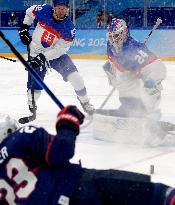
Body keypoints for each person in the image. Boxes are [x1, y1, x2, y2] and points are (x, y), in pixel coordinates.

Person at [0, 107, 175, 205]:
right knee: (157, 195)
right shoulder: (19, 138)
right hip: (77, 190)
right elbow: (61, 151)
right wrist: (68, 122)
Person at [94, 18, 170, 145]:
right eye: (111, 36)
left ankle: (151, 121)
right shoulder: (110, 46)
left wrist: (134, 68)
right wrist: (113, 74)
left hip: (152, 69)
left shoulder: (133, 48)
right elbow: (117, 66)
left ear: (124, 33)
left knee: (149, 87)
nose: (114, 39)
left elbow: (146, 68)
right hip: (133, 69)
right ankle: (130, 107)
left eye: (116, 35)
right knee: (124, 86)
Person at [18, 0, 94, 115]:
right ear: (54, 8)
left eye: (64, 8)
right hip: (35, 53)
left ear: (67, 9)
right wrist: (24, 27)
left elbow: (59, 50)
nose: (61, 11)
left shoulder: (69, 28)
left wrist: (42, 58)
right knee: (34, 92)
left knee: (76, 78)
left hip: (56, 57)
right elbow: (29, 12)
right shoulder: (44, 10)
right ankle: (31, 101)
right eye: (59, 8)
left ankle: (85, 102)